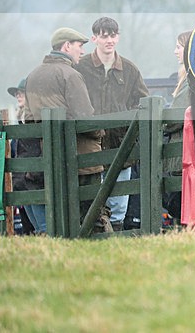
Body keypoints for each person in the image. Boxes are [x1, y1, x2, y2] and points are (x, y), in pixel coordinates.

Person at [24, 27, 111, 233]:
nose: (81, 51)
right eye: (79, 46)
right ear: (66, 46)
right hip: (83, 158)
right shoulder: (70, 74)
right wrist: (101, 133)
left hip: (50, 157)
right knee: (91, 214)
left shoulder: (33, 76)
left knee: (60, 212)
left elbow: (28, 120)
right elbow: (84, 118)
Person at [75, 17, 149, 231]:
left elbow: (143, 103)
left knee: (118, 206)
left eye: (112, 35)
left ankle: (114, 241)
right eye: (104, 35)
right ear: (94, 38)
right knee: (91, 202)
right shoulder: (81, 68)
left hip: (121, 146)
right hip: (89, 147)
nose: (109, 40)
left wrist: (132, 134)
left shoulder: (130, 70)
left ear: (118, 37)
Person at [161, 30, 192, 223]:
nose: (175, 51)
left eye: (179, 47)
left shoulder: (190, 80)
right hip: (182, 148)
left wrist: (161, 121)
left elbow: (175, 117)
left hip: (181, 149)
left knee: (178, 199)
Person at [7, 78, 42, 234]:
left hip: (34, 180)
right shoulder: (20, 121)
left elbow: (35, 150)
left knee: (42, 227)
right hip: (23, 183)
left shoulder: (35, 119)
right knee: (33, 229)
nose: (18, 96)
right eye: (17, 94)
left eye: (21, 93)